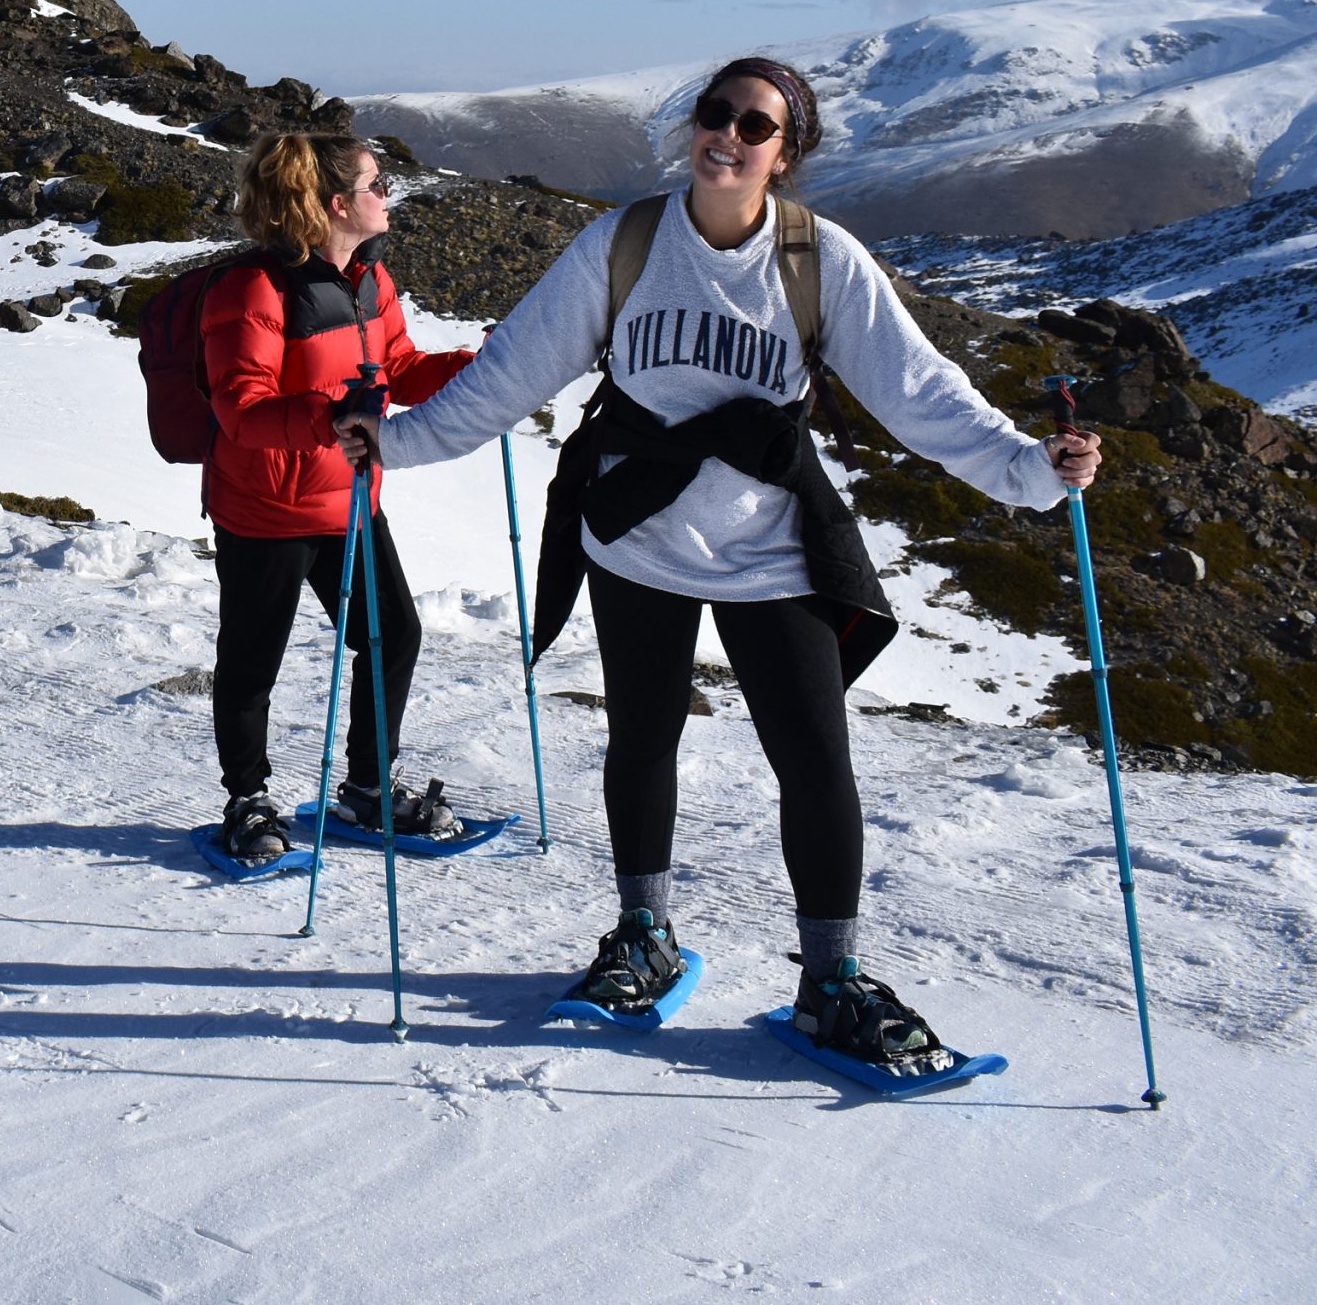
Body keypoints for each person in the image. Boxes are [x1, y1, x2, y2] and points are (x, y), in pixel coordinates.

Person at [339, 57, 1102, 1074]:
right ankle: (642, 934)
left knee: (813, 756)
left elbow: (920, 392)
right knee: (641, 739)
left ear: (785, 153)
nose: (727, 136)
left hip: (767, 543)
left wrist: (1030, 470)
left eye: (754, 125)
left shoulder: (817, 260)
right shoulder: (625, 243)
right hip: (637, 535)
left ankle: (830, 980)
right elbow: (508, 374)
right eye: (714, 114)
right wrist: (388, 444)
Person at [199, 132, 479, 865]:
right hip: (265, 507)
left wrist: (479, 370)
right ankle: (247, 799)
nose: (386, 195)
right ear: (334, 203)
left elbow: (401, 368)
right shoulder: (253, 289)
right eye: (375, 184)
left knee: (392, 635)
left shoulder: (370, 281)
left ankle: (365, 788)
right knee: (254, 659)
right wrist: (328, 414)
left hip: (348, 497)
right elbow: (241, 409)